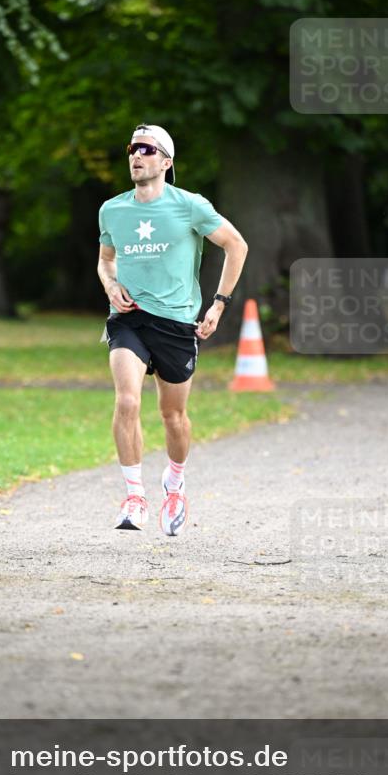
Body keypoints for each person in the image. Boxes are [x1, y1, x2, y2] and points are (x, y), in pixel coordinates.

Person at [97, 123, 248, 536]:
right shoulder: (112, 210)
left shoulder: (190, 206)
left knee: (173, 415)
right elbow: (106, 260)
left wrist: (219, 303)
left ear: (166, 162)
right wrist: (111, 286)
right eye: (132, 148)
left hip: (177, 322)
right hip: (128, 319)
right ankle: (134, 497)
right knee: (127, 400)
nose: (137, 155)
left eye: (147, 149)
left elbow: (236, 245)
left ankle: (175, 484)